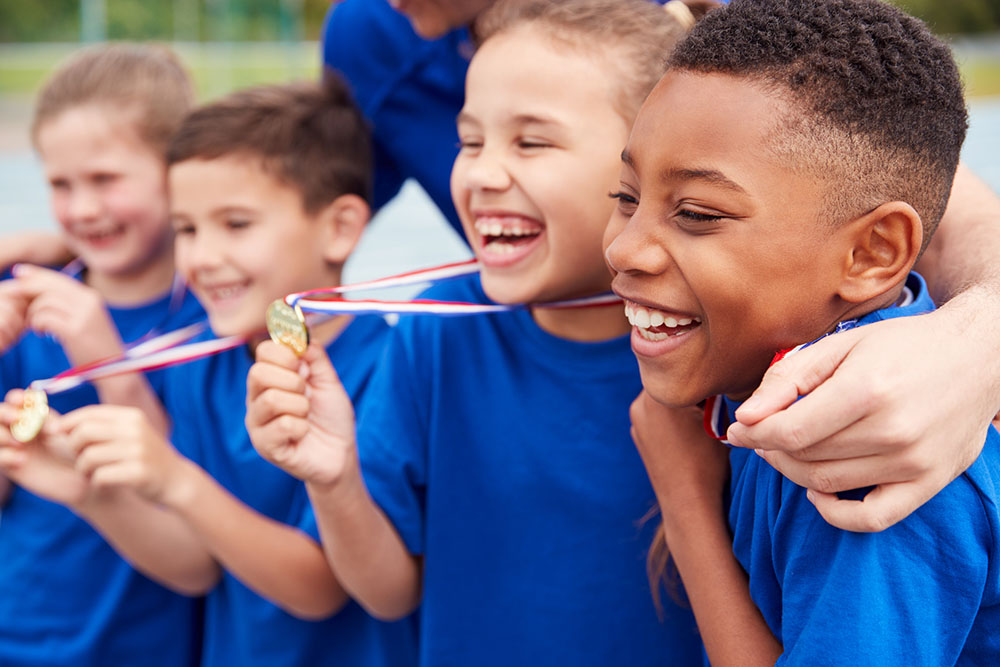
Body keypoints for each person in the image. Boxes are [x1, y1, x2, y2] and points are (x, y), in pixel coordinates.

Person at [322, 0, 1000, 532]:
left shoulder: (798, 417)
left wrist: (973, 354)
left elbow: (919, 202)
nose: (628, 243)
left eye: (531, 140)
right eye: (468, 138)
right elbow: (306, 212)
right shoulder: (367, 36)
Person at [247, 1, 712, 665]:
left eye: (531, 141)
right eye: (469, 141)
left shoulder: (722, 353)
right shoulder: (436, 333)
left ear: (653, 164)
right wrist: (334, 477)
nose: (483, 174)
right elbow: (387, 591)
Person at [607, 0, 999, 663]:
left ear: (874, 252)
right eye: (625, 197)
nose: (624, 250)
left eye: (697, 212)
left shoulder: (868, 469)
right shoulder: (763, 365)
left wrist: (685, 499)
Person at [1, 80, 417, 667]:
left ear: (341, 228)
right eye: (188, 230)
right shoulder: (206, 362)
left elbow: (319, 588)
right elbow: (197, 563)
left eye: (237, 224)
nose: (202, 257)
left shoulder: (392, 368)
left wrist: (176, 480)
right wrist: (91, 496)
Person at [0, 43, 205, 666]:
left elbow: (196, 515)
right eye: (61, 184)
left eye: (106, 179)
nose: (83, 209)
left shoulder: (213, 319)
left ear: (179, 170)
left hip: (147, 646)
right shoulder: (22, 307)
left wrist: (105, 359)